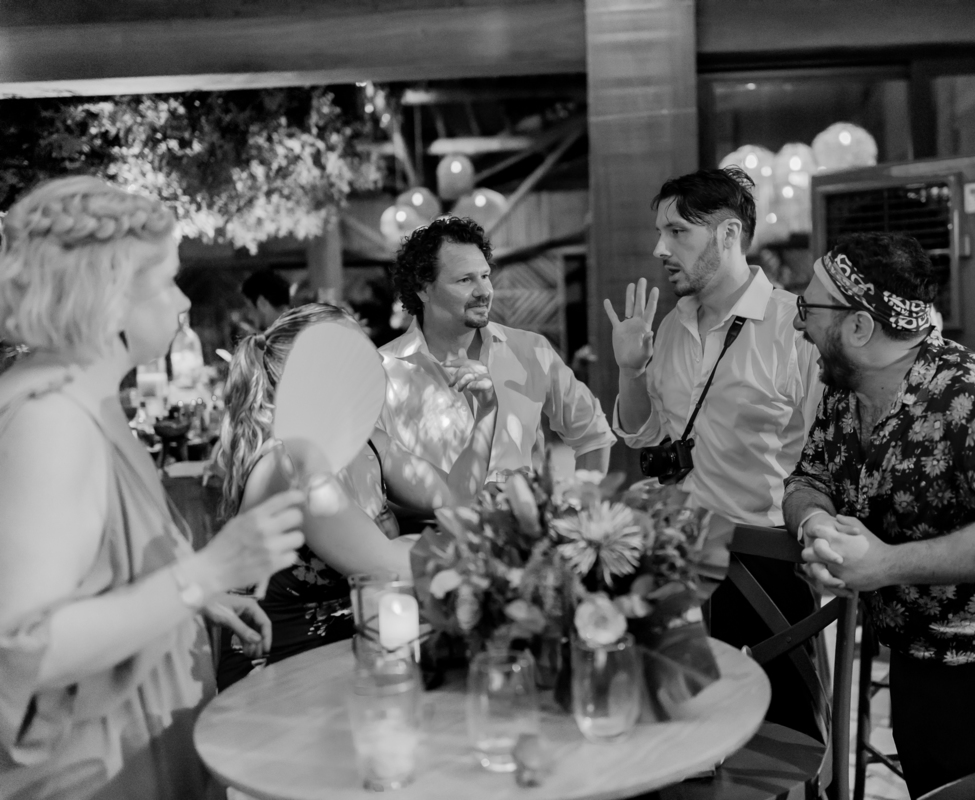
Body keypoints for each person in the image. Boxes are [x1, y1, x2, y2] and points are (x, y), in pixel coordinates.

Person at [0, 176, 305, 799]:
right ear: (110, 295)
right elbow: (26, 646)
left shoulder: (87, 398)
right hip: (100, 772)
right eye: (166, 281)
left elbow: (92, 573)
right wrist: (208, 570)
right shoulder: (52, 419)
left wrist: (195, 599)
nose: (183, 302)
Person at [784, 232, 975, 800]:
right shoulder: (845, 391)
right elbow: (808, 478)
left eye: (809, 306)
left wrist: (885, 565)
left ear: (860, 327)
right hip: (917, 667)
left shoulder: (972, 393)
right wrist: (818, 528)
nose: (799, 322)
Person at [604, 166, 824, 739]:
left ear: (728, 235)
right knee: (683, 731)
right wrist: (630, 369)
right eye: (661, 232)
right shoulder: (671, 327)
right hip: (679, 559)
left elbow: (827, 457)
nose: (660, 249)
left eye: (677, 232)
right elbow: (646, 436)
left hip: (767, 563)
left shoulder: (795, 327)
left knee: (785, 739)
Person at [211, 303, 419, 689]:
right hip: (275, 682)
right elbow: (388, 568)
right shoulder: (291, 462)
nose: (374, 360)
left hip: (334, 660)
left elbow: (444, 497)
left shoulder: (349, 447)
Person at [379, 216, 615, 515]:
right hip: (432, 537)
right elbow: (373, 482)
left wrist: (580, 514)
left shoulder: (531, 351)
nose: (484, 291)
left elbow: (592, 433)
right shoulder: (383, 371)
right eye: (465, 280)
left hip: (527, 537)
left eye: (485, 275)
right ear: (423, 289)